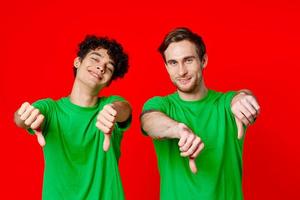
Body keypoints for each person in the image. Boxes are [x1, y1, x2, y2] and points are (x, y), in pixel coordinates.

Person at [140, 27, 260, 200]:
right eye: (173, 63)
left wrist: (243, 97)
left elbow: (242, 97)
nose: (181, 71)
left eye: (188, 60)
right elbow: (149, 121)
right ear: (166, 67)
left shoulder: (226, 104)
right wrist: (177, 130)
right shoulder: (161, 105)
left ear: (203, 60)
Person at [14, 35, 132, 200]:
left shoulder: (111, 104)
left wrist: (112, 111)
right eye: (95, 59)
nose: (101, 68)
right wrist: (25, 116)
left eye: (109, 67)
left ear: (108, 81)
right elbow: (20, 118)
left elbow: (124, 110)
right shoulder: (51, 109)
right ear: (77, 62)